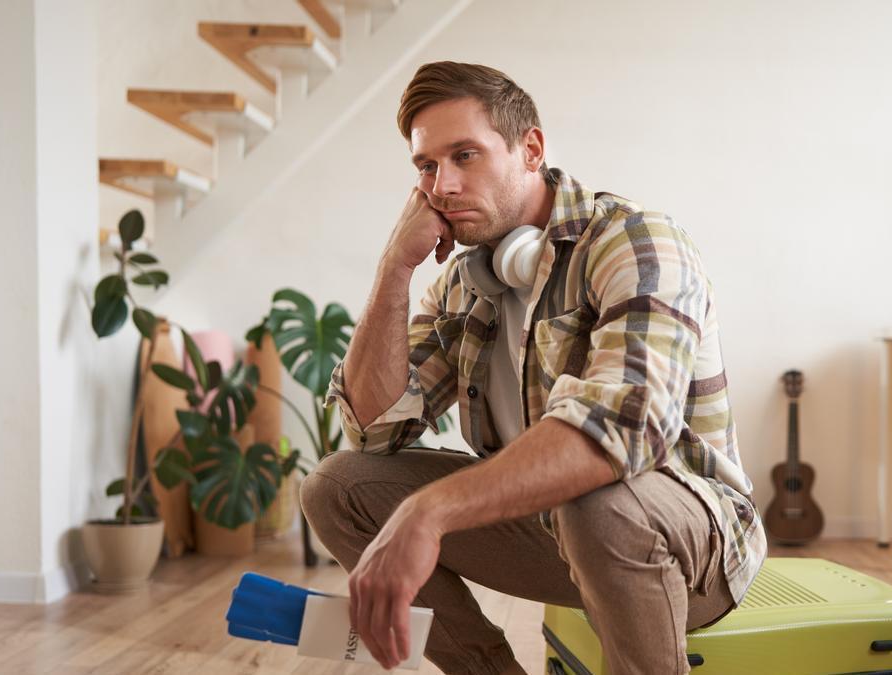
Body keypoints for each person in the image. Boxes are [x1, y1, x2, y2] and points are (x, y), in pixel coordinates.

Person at [300, 61, 766, 675]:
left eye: (465, 155)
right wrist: (395, 268)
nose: (442, 185)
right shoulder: (464, 282)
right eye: (427, 166)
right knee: (335, 487)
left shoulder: (635, 241)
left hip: (690, 549)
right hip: (555, 533)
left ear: (531, 149)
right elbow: (374, 428)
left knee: (596, 499)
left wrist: (428, 511)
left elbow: (622, 433)